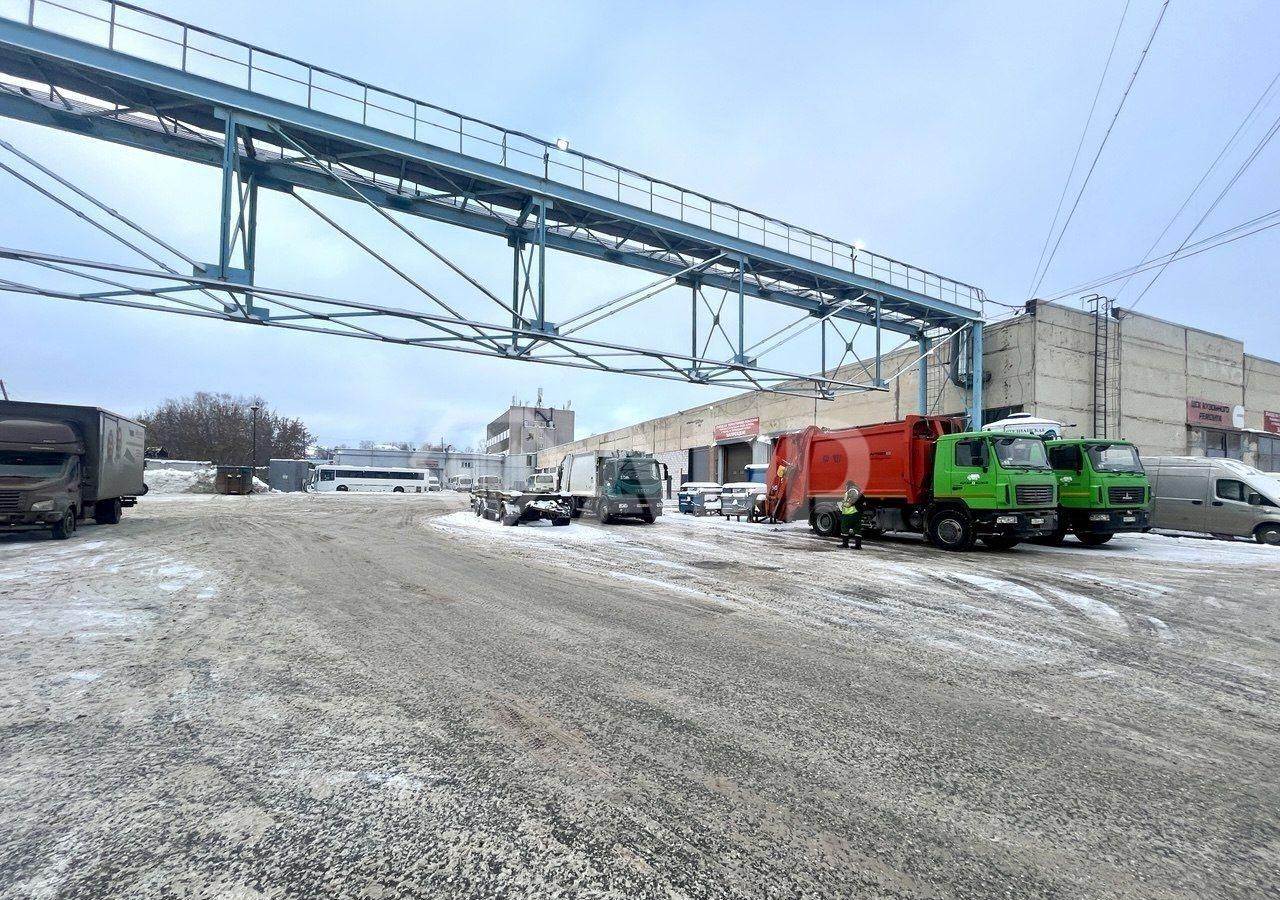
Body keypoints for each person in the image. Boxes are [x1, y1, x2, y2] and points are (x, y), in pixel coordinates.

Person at [839, 480, 864, 550]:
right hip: (856, 513)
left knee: (844, 528)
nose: (845, 487)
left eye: (846, 486)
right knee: (857, 529)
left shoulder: (852, 490)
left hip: (849, 513)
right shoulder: (857, 490)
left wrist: (847, 504)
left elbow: (854, 498)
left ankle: (845, 544)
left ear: (848, 485)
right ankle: (858, 546)